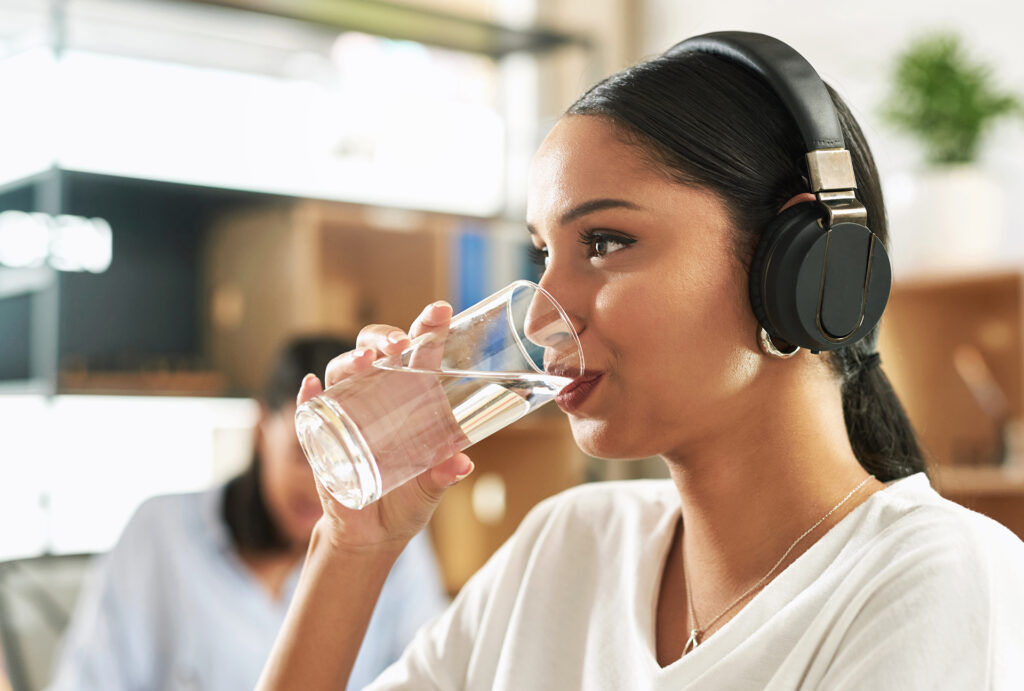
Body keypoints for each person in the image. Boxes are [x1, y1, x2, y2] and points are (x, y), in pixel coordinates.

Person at [257, 33, 1024, 690]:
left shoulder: (943, 576)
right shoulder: (564, 545)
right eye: (543, 252)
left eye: (604, 243)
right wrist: (353, 547)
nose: (537, 311)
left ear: (799, 266)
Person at [49, 336, 448, 691]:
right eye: (306, 454)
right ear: (261, 428)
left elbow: (430, 671)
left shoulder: (392, 539)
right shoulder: (159, 534)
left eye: (350, 459)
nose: (325, 487)